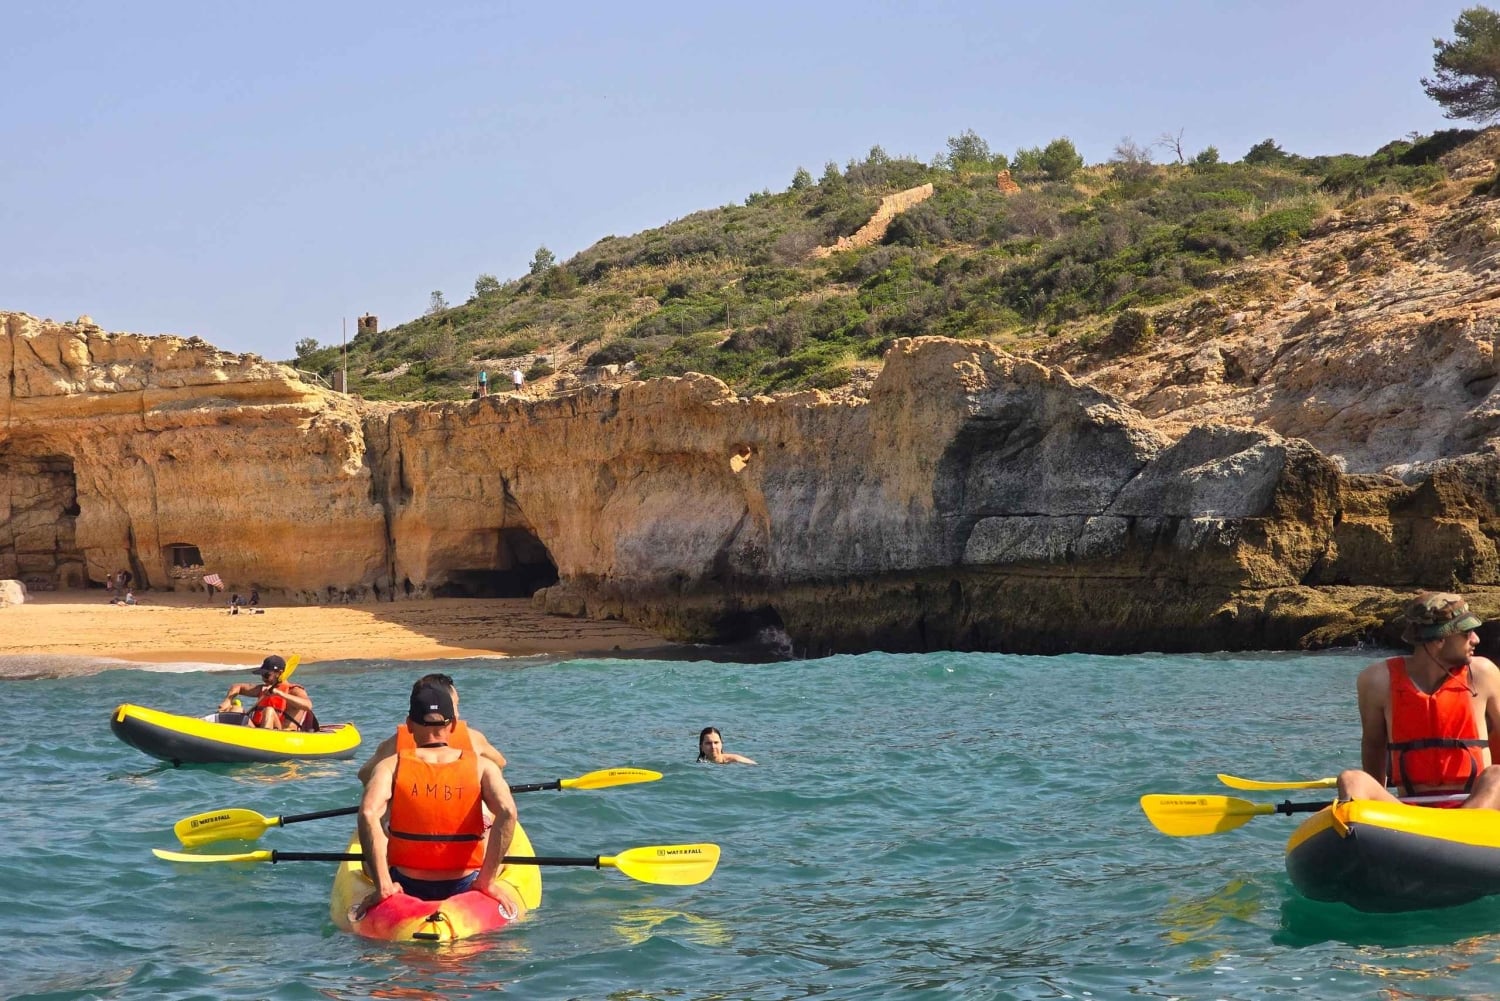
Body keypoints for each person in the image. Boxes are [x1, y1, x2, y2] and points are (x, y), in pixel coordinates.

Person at [358, 682, 519, 906]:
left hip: (407, 882)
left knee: (367, 857)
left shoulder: (389, 766)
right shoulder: (482, 767)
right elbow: (508, 812)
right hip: (464, 881)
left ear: (409, 725)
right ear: (453, 725)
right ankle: (486, 883)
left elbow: (367, 813)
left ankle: (385, 887)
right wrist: (487, 881)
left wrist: (382, 886)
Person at [1337, 591, 1500, 809]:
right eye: (1467, 632)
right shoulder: (1376, 681)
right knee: (1351, 780)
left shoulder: (1483, 674)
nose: (1475, 639)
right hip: (1411, 813)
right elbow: (1373, 747)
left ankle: (1460, 833)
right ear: (1440, 639)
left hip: (1475, 808)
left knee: (1497, 776)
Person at [357, 672, 507, 783]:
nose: (458, 712)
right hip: (462, 819)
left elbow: (365, 775)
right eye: (455, 706)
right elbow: (499, 763)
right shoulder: (473, 738)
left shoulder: (396, 742)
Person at [216, 655, 313, 730]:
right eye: (262, 675)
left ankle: (263, 740)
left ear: (279, 673)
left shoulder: (294, 690)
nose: (263, 679)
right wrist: (228, 700)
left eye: (266, 675)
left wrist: (280, 694)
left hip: (281, 735)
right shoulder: (264, 689)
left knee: (269, 710)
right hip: (257, 730)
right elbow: (237, 687)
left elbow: (308, 705)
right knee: (236, 709)